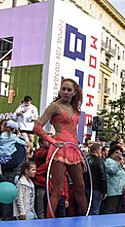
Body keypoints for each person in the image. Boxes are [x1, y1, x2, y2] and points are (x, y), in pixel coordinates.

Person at [33, 79, 87, 217]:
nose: (65, 92)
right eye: (63, 89)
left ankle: (87, 219)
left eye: (69, 90)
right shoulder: (55, 106)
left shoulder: (75, 109)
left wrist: (80, 157)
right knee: (57, 189)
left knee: (80, 187)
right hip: (59, 150)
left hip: (73, 150)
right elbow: (37, 127)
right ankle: (48, 220)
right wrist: (52, 141)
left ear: (75, 92)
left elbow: (74, 133)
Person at [103, 145, 125, 214]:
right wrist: (118, 163)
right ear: (111, 154)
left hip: (121, 191)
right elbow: (112, 171)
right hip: (113, 192)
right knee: (111, 211)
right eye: (116, 153)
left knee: (118, 211)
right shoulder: (109, 161)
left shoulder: (120, 163)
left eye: (120, 153)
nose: (118, 155)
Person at [84, 143, 107, 215]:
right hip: (97, 189)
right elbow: (102, 176)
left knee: (86, 209)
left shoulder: (86, 160)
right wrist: (104, 191)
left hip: (87, 188)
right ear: (98, 150)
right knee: (95, 210)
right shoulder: (99, 162)